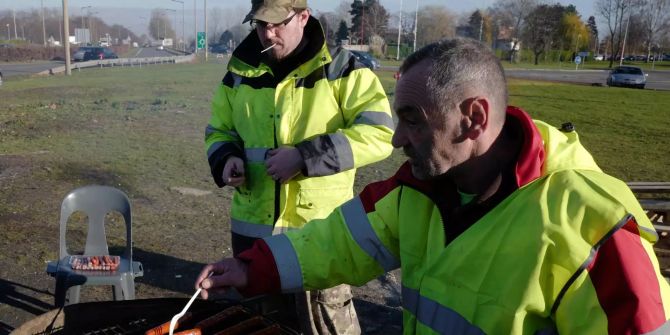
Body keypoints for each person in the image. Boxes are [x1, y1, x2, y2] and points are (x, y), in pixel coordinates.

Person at [198, 38, 670, 334]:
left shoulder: (594, 228)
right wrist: (249, 268)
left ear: (474, 119)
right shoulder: (418, 189)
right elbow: (336, 242)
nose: (398, 138)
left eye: (412, 121)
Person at [203, 0, 394, 333]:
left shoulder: (344, 69)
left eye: (277, 23)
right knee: (261, 327)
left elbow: (380, 133)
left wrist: (307, 156)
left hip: (320, 241)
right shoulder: (239, 72)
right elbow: (219, 129)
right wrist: (226, 158)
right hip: (254, 242)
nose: (268, 33)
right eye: (260, 24)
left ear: (304, 17)